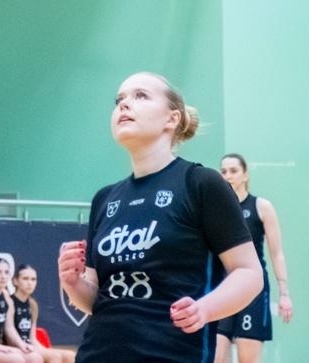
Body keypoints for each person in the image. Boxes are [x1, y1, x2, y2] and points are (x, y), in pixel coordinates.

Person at [57, 73, 262, 363]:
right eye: (119, 100)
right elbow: (96, 300)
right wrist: (73, 283)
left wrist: (205, 309)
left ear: (172, 118)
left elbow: (250, 274)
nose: (125, 105)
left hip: (173, 354)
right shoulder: (105, 199)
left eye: (140, 96)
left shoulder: (201, 183)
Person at [214, 154, 293, 363]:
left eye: (233, 171)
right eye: (224, 171)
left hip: (253, 289)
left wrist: (284, 293)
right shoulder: (217, 211)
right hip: (223, 288)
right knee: (215, 355)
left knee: (246, 358)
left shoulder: (261, 207)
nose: (228, 176)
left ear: (245, 174)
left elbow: (277, 253)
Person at [10, 265, 73, 363]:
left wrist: (44, 350)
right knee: (53, 357)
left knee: (70, 356)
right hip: (14, 347)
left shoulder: (32, 305)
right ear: (15, 281)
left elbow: (32, 338)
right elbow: (7, 332)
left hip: (29, 345)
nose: (29, 283)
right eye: (25, 279)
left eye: (33, 279)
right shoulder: (9, 302)